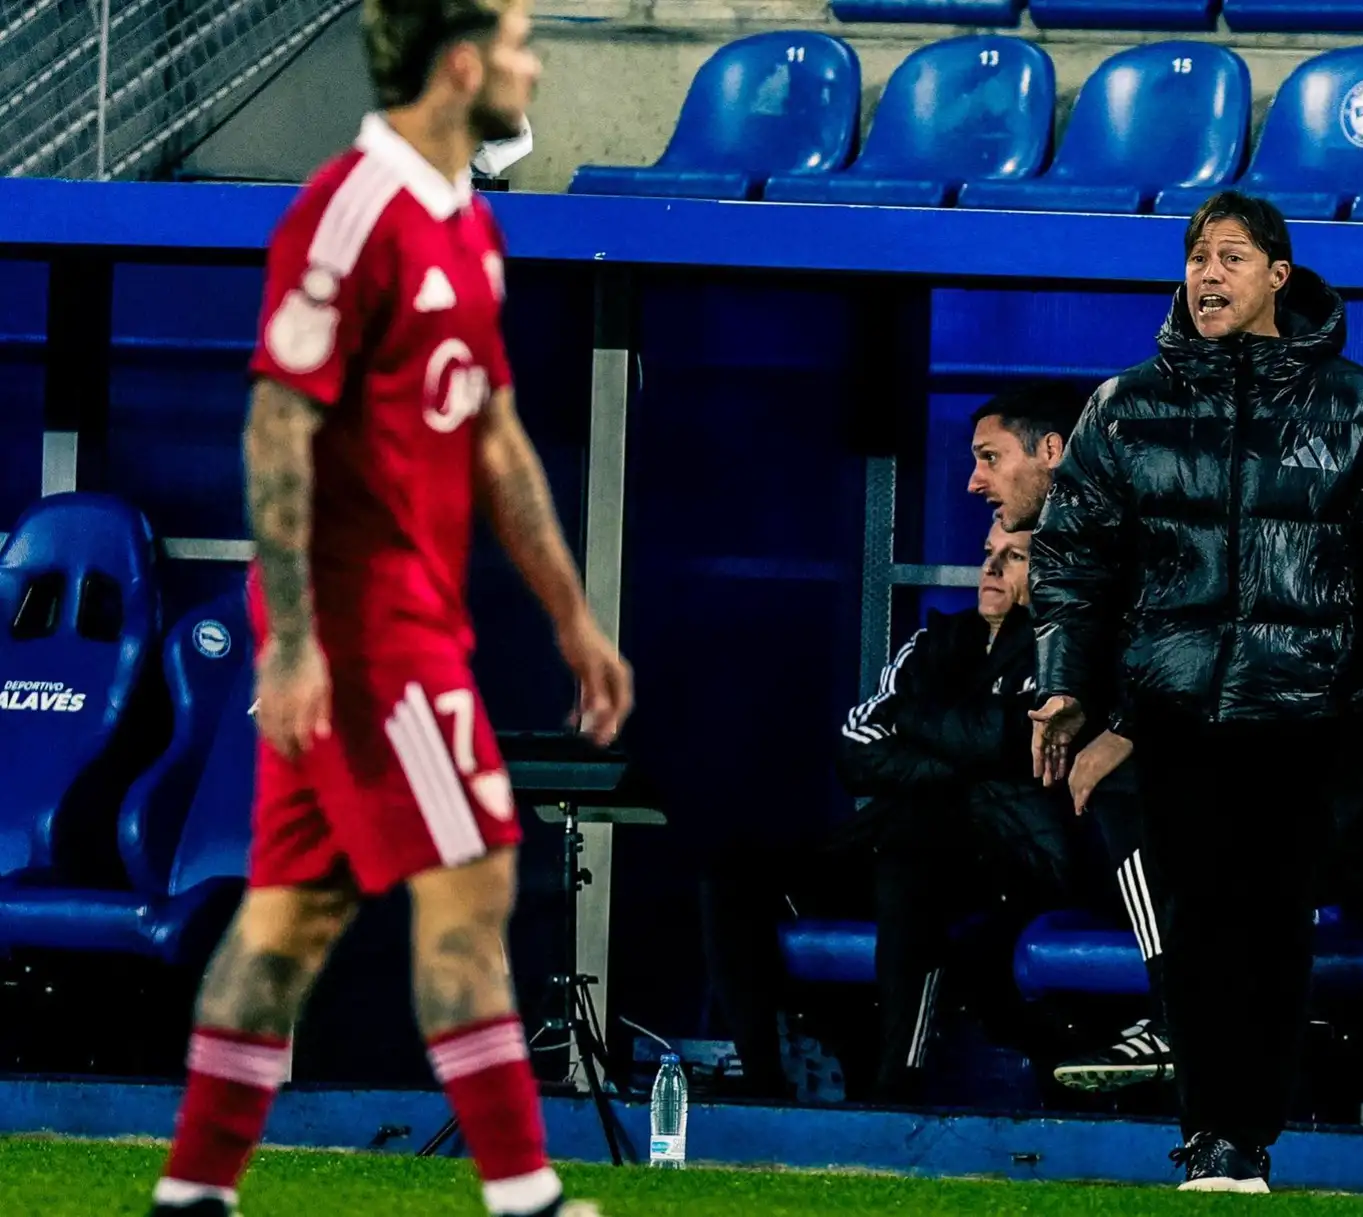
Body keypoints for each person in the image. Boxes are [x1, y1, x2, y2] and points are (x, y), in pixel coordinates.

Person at [149, 5, 635, 1216]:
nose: (535, 68)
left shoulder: (468, 222)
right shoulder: (351, 210)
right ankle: (524, 1193)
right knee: (472, 874)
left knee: (291, 916)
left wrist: (571, 615)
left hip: (402, 614)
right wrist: (303, 640)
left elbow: (493, 430)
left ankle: (192, 1194)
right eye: (524, 45)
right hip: (364, 622)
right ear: (463, 64)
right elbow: (277, 421)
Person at [1028, 191, 1363, 1191]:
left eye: (1231, 257)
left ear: (1280, 275)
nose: (1208, 274)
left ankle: (1249, 1135)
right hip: (1174, 712)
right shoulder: (1126, 405)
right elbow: (1069, 558)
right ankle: (1206, 1134)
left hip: (1306, 712)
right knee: (1193, 923)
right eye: (1196, 257)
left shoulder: (1362, 407)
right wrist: (1065, 685)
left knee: (1271, 923)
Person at [701, 516, 1076, 1102]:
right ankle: (762, 1081)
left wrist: (912, 720)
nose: (992, 567)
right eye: (987, 552)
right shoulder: (932, 642)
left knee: (912, 859)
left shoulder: (1060, 649)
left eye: (1016, 557)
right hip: (897, 836)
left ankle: (894, 1092)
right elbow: (855, 749)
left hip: (1006, 858)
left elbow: (1010, 742)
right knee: (735, 870)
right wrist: (964, 750)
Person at [968, 385, 1175, 1092]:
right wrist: (1070, 700)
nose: (974, 482)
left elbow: (1194, 630)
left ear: (1052, 451)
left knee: (1120, 782)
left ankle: (1177, 1015)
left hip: (1273, 749)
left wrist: (1123, 730)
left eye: (990, 458)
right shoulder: (1070, 538)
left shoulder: (1130, 515)